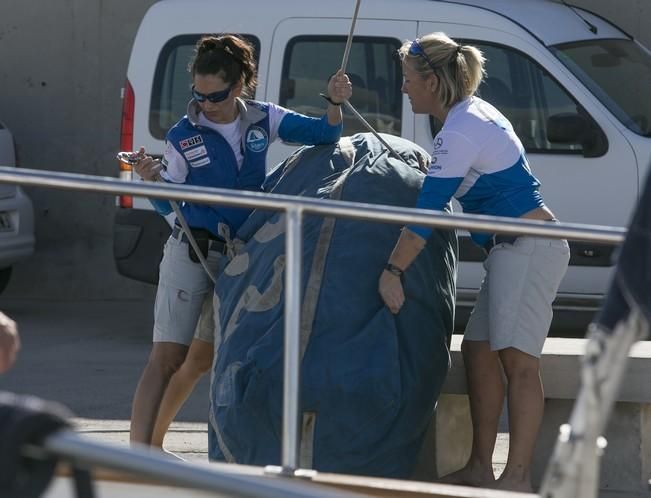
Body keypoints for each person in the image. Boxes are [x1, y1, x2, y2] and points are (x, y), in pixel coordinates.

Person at [129, 34, 352, 448]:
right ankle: (137, 455)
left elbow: (324, 134)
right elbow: (167, 206)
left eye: (214, 96)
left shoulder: (263, 118)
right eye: (197, 94)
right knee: (166, 358)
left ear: (239, 86)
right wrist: (152, 180)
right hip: (190, 251)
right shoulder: (183, 134)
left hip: (237, 257)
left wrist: (334, 103)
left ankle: (153, 447)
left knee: (201, 359)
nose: (204, 105)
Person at [378, 32, 570, 492]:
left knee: (519, 363)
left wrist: (392, 271)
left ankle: (518, 478)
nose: (403, 89)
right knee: (478, 350)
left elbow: (427, 214)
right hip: (509, 250)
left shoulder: (462, 127)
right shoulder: (463, 120)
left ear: (431, 80)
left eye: (408, 79)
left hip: (529, 247)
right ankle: (481, 468)